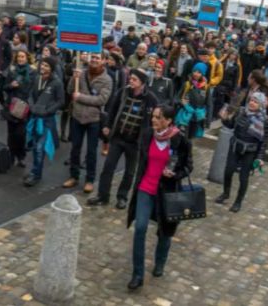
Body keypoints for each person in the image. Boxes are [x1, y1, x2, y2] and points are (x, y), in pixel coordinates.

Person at [127, 104, 193, 289]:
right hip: (145, 188)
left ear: (168, 120)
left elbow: (188, 166)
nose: (153, 120)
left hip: (166, 193)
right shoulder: (148, 135)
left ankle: (160, 262)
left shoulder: (180, 140)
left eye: (158, 117)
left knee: (165, 232)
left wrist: (176, 174)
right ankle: (137, 274)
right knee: (140, 228)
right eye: (153, 116)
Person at [88, 69, 158, 209]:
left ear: (142, 83)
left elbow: (153, 121)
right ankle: (103, 195)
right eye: (130, 79)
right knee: (108, 167)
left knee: (130, 172)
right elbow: (112, 110)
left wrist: (148, 138)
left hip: (135, 142)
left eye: (134, 80)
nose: (130, 81)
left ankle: (122, 197)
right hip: (118, 138)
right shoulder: (123, 92)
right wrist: (108, 125)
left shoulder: (151, 99)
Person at [63, 52, 112, 193]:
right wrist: (74, 78)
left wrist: (81, 97)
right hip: (77, 116)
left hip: (94, 119)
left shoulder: (107, 79)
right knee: (75, 149)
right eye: (93, 57)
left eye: (98, 58)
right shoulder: (82, 73)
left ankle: (90, 179)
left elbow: (102, 100)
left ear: (103, 61)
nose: (94, 60)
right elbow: (70, 90)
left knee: (91, 151)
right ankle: (74, 176)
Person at [215, 91, 268, 213]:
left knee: (243, 177)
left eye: (256, 101)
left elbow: (264, 141)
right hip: (235, 146)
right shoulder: (241, 111)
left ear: (260, 104)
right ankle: (225, 193)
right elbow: (231, 125)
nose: (252, 103)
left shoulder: (264, 120)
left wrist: (260, 157)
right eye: (251, 100)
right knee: (228, 170)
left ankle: (238, 202)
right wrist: (224, 119)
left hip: (250, 151)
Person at [23, 56, 65, 187]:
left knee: (40, 148)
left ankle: (36, 175)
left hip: (46, 120)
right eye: (42, 65)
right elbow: (30, 94)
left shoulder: (57, 82)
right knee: (35, 147)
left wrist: (47, 111)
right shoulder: (37, 78)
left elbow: (61, 101)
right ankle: (35, 170)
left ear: (52, 68)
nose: (43, 67)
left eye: (47, 66)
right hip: (35, 117)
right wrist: (31, 105)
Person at [1, 49, 35, 167]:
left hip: (25, 107)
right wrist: (11, 85)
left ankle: (21, 156)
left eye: (23, 57)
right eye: (19, 57)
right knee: (11, 133)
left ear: (27, 58)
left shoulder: (32, 72)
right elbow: (4, 87)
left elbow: (34, 90)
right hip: (12, 106)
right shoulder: (11, 71)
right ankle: (11, 155)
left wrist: (30, 104)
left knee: (21, 134)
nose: (20, 59)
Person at [175, 62, 209, 139]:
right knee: (181, 137)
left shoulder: (206, 87)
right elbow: (176, 98)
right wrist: (183, 103)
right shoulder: (187, 84)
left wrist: (207, 121)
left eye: (199, 72)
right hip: (185, 116)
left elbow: (208, 103)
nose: (196, 74)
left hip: (197, 117)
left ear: (202, 74)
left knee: (190, 140)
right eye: (195, 71)